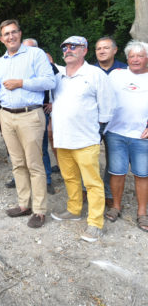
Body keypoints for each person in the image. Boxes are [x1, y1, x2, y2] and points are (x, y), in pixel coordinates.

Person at [0, 19, 55, 228]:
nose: (11, 36)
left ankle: (39, 210)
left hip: (30, 115)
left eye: (14, 32)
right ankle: (24, 205)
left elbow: (50, 81)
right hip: (6, 115)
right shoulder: (1, 63)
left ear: (20, 34)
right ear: (1, 39)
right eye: (6, 34)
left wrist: (21, 83)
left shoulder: (35, 54)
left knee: (34, 164)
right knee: (18, 163)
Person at [51, 36, 114, 242]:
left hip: (86, 139)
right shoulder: (58, 76)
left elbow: (107, 108)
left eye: (73, 46)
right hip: (63, 139)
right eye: (65, 47)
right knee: (69, 178)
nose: (68, 50)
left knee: (92, 183)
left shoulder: (95, 74)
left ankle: (95, 223)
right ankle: (74, 209)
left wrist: (97, 132)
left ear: (85, 50)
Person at [104, 40, 148, 232]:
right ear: (127, 58)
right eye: (132, 56)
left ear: (147, 58)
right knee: (117, 172)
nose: (135, 59)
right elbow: (102, 96)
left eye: (140, 56)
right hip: (116, 133)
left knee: (142, 174)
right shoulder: (116, 75)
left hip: (142, 136)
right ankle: (116, 206)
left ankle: (142, 212)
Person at [22, 38, 58, 195]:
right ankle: (21, 179)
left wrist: (53, 102)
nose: (27, 51)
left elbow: (59, 85)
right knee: (20, 148)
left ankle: (47, 180)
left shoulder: (46, 64)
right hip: (20, 112)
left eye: (30, 48)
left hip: (40, 111)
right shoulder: (18, 63)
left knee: (41, 147)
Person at [94, 37, 127, 207]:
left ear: (115, 50)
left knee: (112, 159)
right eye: (98, 48)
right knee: (89, 158)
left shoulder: (125, 70)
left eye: (106, 48)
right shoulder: (89, 71)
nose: (102, 51)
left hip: (116, 122)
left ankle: (108, 193)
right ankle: (87, 191)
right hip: (93, 122)